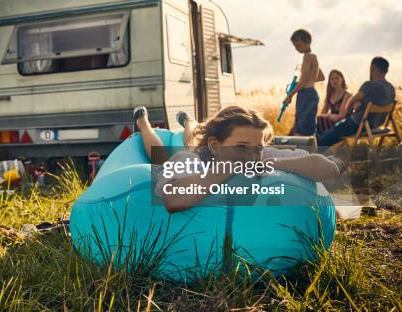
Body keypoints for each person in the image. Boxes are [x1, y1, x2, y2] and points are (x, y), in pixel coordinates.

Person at [133, 105, 340, 213]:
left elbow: (329, 169)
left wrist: (272, 163)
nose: (251, 156)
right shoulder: (187, 161)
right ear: (215, 145)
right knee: (168, 154)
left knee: (193, 142)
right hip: (190, 160)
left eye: (257, 148)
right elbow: (173, 201)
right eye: (241, 147)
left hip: (209, 152)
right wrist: (229, 169)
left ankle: (189, 120)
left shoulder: (258, 156)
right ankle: (143, 122)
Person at [317, 57, 396, 147]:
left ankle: (312, 155)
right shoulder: (391, 88)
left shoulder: (369, 85)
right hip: (376, 124)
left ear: (372, 68)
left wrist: (352, 110)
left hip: (356, 124)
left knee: (324, 138)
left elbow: (349, 104)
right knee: (327, 132)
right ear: (386, 71)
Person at [283, 29, 325, 136]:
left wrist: (290, 95)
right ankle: (311, 150)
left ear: (307, 41)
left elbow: (303, 81)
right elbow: (321, 77)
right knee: (309, 128)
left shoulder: (307, 56)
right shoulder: (314, 56)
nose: (296, 48)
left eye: (299, 45)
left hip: (305, 94)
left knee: (301, 129)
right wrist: (310, 80)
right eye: (295, 46)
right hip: (312, 93)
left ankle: (302, 152)